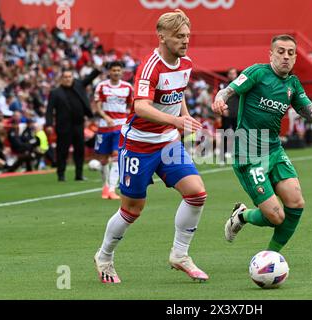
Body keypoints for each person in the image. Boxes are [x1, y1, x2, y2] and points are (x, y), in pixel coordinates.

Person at [94, 9, 209, 284]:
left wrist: (185, 115)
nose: (185, 41)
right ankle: (104, 255)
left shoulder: (186, 63)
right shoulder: (150, 67)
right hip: (138, 144)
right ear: (162, 37)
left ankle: (180, 255)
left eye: (188, 36)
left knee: (196, 193)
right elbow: (140, 106)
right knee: (133, 209)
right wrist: (176, 121)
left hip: (167, 141)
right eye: (179, 36)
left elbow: (177, 93)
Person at [212, 34, 312, 253]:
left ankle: (270, 258)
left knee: (296, 203)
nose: (285, 57)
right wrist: (220, 99)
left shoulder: (293, 84)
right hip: (249, 153)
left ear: (295, 58)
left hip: (273, 149)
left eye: (291, 53)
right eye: (280, 52)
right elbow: (229, 89)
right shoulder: (258, 73)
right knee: (276, 216)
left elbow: (311, 112)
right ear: (271, 54)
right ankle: (241, 216)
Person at [46, 66, 101, 181]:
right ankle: (61, 175)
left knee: (79, 150)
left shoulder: (78, 86)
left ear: (72, 78)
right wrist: (49, 124)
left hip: (78, 124)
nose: (67, 79)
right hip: (63, 126)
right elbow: (49, 110)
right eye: (65, 77)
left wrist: (97, 70)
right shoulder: (55, 93)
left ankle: (79, 175)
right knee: (62, 151)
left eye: (69, 77)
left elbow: (89, 79)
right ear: (61, 79)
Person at [93, 61, 133, 200]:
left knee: (117, 155)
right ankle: (105, 186)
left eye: (118, 70)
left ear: (122, 72)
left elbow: (131, 105)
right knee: (103, 160)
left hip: (120, 126)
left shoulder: (127, 87)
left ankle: (112, 189)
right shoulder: (102, 86)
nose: (116, 72)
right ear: (109, 72)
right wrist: (106, 117)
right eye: (113, 70)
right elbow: (97, 106)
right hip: (104, 126)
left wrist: (128, 119)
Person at [219, 68, 240, 159]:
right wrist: (223, 109)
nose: (232, 75)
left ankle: (237, 153)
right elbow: (220, 97)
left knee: (238, 133)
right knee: (224, 133)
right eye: (230, 73)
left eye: (234, 73)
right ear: (228, 75)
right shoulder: (223, 85)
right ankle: (222, 155)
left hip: (237, 113)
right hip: (226, 113)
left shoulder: (240, 85)